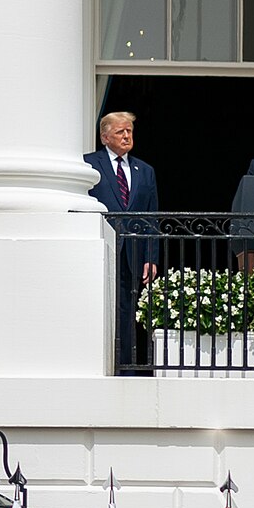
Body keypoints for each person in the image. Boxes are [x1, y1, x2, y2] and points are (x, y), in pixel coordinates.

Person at [83, 112, 161, 372]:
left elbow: (152, 217)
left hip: (133, 253)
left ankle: (125, 367)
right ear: (105, 137)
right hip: (100, 248)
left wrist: (152, 258)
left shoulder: (145, 170)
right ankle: (96, 364)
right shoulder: (88, 165)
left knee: (128, 309)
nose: (127, 136)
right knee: (98, 305)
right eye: (120, 132)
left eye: (129, 131)